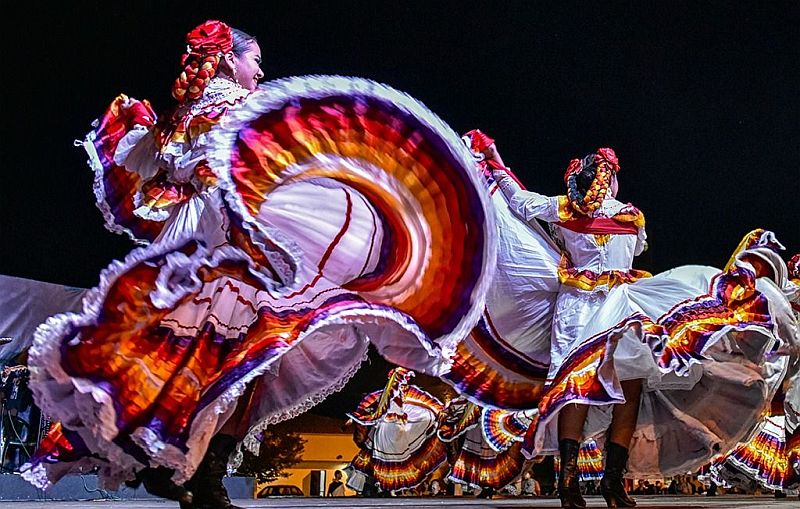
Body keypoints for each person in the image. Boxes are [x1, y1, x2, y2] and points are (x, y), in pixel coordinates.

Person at [20, 19, 495, 509]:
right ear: (229, 58)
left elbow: (182, 167)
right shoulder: (232, 108)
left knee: (216, 362)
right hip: (228, 247)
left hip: (207, 249)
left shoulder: (187, 115)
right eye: (255, 59)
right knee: (240, 361)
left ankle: (187, 468)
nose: (261, 70)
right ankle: (193, 470)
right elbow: (255, 165)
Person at [442, 129, 798, 509]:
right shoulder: (631, 216)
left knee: (575, 392)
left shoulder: (563, 210)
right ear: (610, 181)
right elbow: (635, 245)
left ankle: (571, 485)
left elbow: (516, 197)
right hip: (620, 306)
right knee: (627, 390)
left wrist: (494, 161)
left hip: (579, 309)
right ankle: (612, 485)